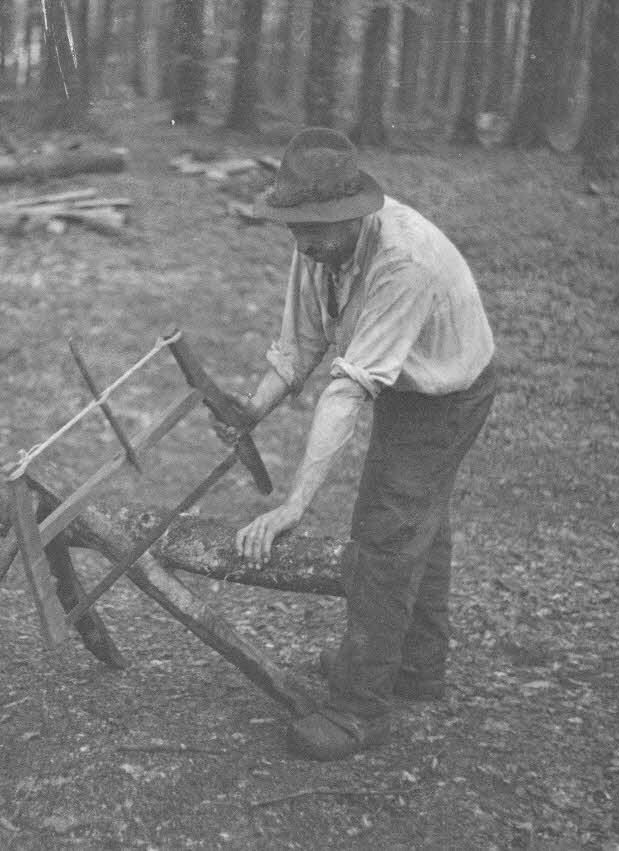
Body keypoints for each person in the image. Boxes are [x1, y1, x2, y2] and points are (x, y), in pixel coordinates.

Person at [227, 127, 497, 761]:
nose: (306, 241)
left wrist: (295, 504)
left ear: (355, 213)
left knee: (384, 537)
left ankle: (361, 709)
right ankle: (415, 665)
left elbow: (347, 390)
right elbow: (300, 345)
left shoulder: (403, 260)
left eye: (318, 227)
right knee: (417, 520)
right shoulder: (316, 241)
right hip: (402, 378)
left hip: (449, 392)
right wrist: (251, 409)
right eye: (297, 227)